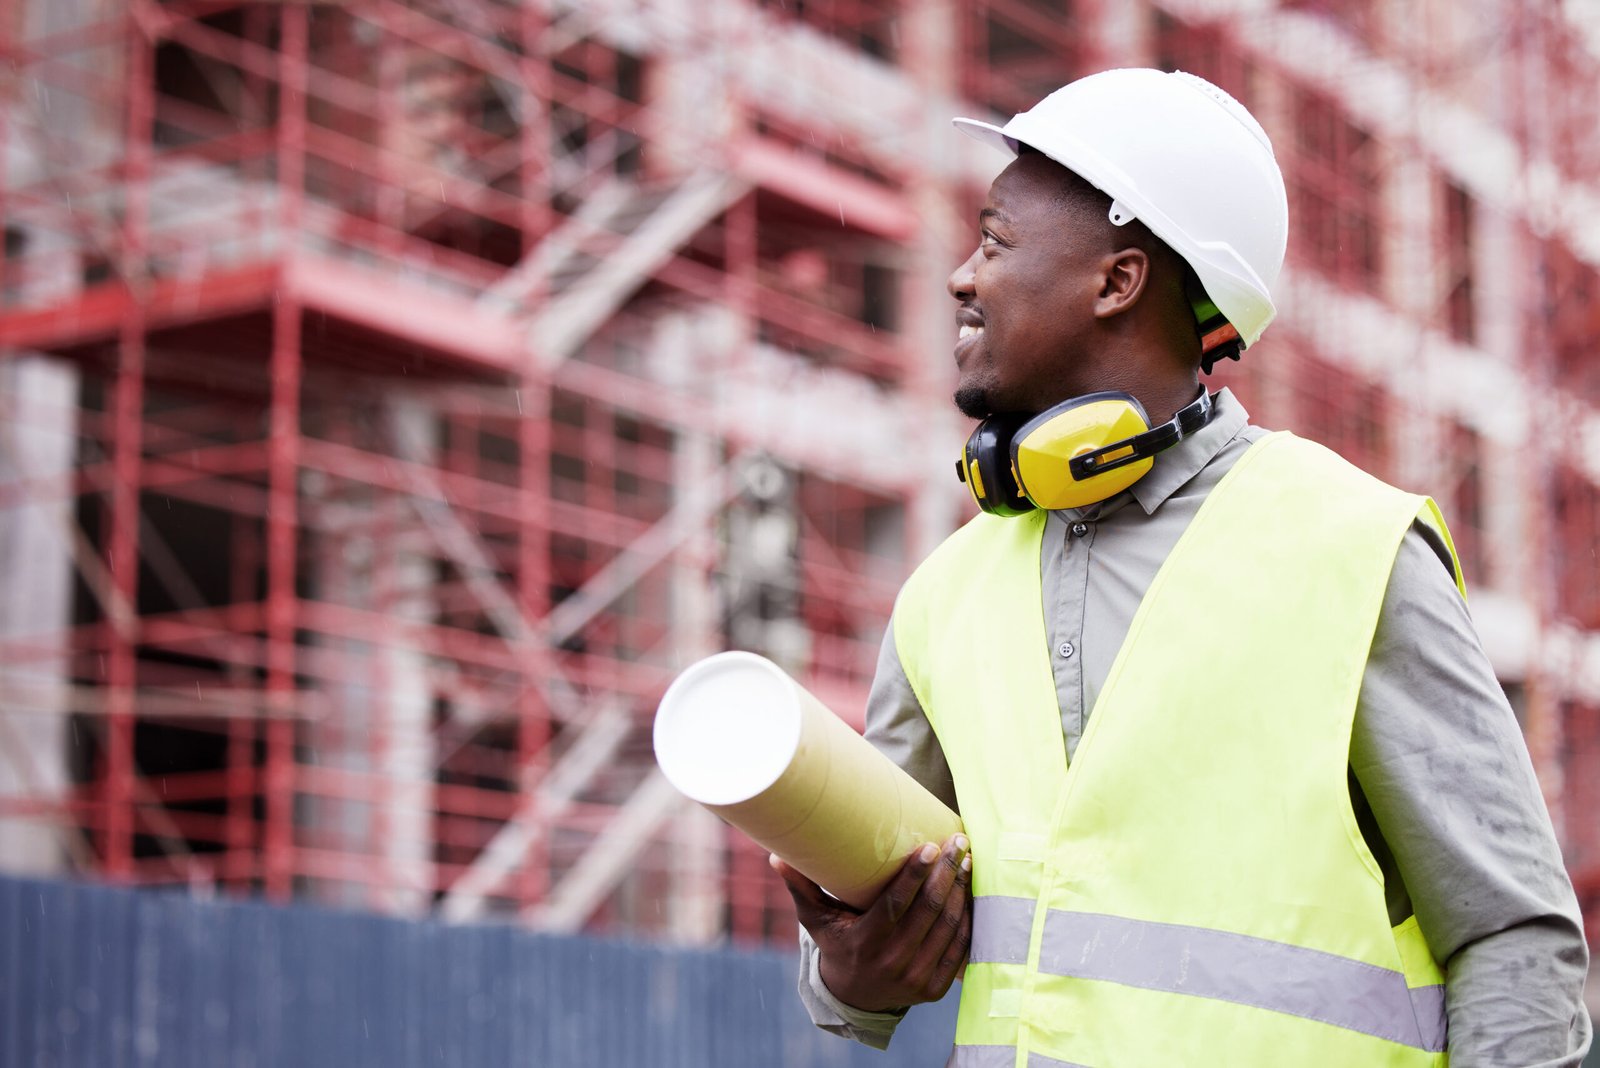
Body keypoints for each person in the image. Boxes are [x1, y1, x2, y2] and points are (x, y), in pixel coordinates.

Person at [772, 68, 1592, 1066]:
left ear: (1115, 282)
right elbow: (869, 965)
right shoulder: (944, 597)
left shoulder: (1348, 549)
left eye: (993, 240)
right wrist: (845, 971)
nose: (960, 276)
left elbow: (1510, 939)